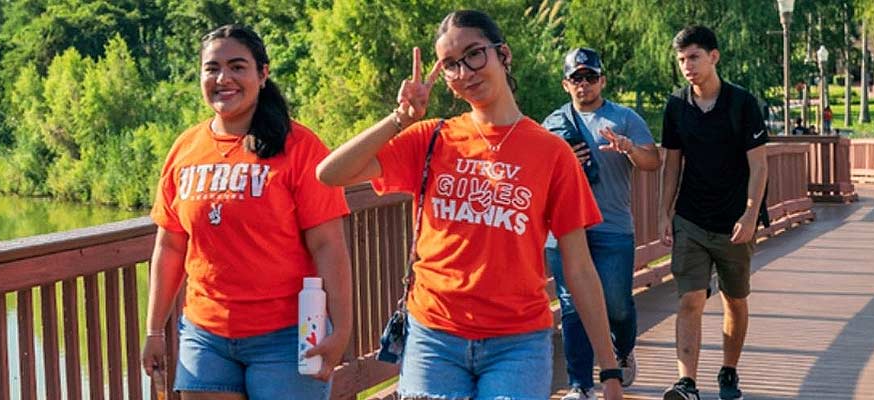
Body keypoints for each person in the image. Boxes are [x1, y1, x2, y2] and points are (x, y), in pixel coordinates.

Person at [316, 10, 626, 400]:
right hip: (434, 335)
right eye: (450, 64)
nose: (464, 72)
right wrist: (400, 118)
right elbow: (330, 173)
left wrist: (609, 370)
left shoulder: (552, 153)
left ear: (503, 54)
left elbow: (579, 268)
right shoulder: (432, 138)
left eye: (474, 54)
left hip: (518, 343)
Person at [141, 24, 353, 400]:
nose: (223, 78)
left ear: (262, 74)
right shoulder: (185, 148)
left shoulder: (301, 147)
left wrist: (341, 330)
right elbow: (170, 246)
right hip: (205, 336)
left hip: (287, 336)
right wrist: (154, 330)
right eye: (212, 68)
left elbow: (328, 246)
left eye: (237, 67)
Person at [539, 47, 659, 400]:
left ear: (602, 80)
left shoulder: (624, 118)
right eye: (576, 78)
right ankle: (580, 385)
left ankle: (623, 349)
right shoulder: (552, 124)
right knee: (571, 306)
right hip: (564, 230)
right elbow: (536, 174)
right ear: (565, 84)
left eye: (590, 77)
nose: (584, 84)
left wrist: (628, 148)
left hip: (612, 227)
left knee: (617, 304)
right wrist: (563, 163)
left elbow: (653, 161)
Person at [657, 26, 769, 400]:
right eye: (681, 59)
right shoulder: (676, 106)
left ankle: (729, 369)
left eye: (694, 57)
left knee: (734, 299)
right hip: (690, 218)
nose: (687, 66)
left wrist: (750, 215)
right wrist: (663, 213)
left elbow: (760, 166)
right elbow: (671, 164)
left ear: (713, 57)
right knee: (690, 298)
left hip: (734, 221)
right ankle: (686, 383)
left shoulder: (742, 104)